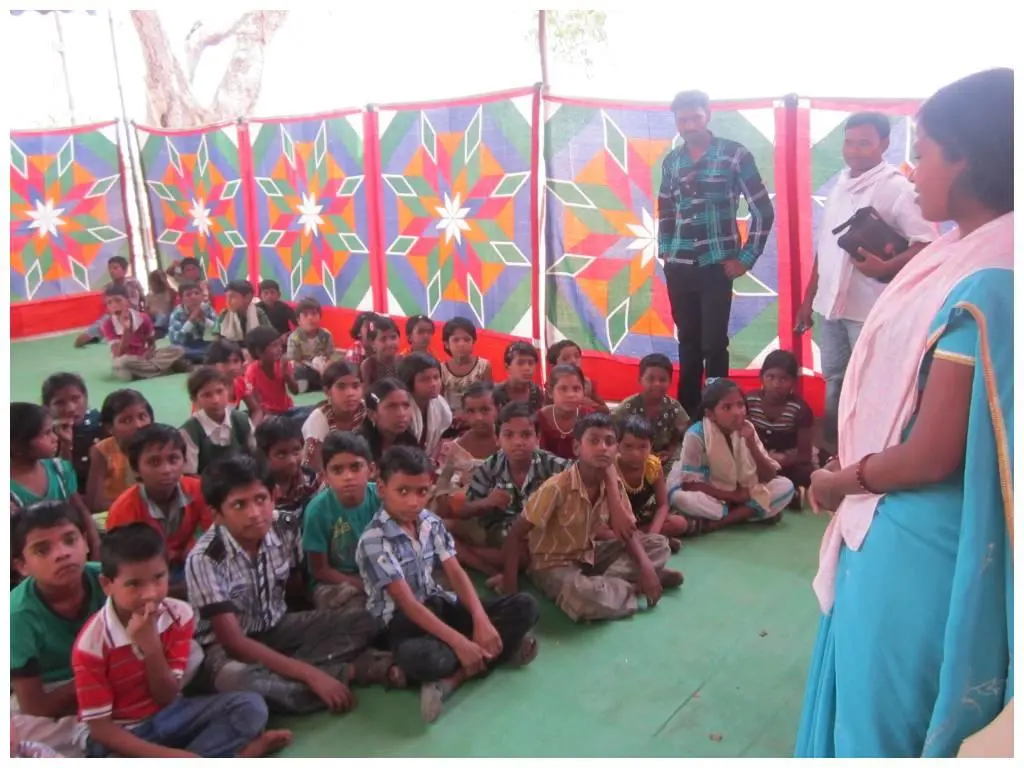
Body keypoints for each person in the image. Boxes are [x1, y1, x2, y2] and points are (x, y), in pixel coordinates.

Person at [796, 68, 1014, 758]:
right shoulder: (961, 248)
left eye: (923, 152)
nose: (914, 171)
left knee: (880, 719)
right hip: (899, 502)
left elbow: (932, 455)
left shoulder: (991, 278)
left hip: (919, 528)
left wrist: (840, 480)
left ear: (968, 158)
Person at [186, 454, 402, 715]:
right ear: (216, 514)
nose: (254, 513)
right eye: (239, 505)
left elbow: (302, 585)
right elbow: (234, 643)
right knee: (237, 680)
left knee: (367, 617)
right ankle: (350, 671)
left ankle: (296, 673)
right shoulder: (206, 558)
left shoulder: (285, 526)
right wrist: (310, 674)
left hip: (278, 628)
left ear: (273, 496)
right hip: (225, 649)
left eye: (260, 499)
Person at [356, 445, 540, 723]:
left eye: (422, 491)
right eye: (403, 491)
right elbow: (407, 604)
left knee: (526, 605)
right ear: (382, 489)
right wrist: (460, 642)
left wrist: (481, 621)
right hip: (401, 623)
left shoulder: (430, 522)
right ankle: (493, 653)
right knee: (422, 659)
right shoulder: (374, 540)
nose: (413, 502)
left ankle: (454, 677)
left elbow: (455, 572)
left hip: (437, 604)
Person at [72, 523, 291, 757]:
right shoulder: (91, 645)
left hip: (170, 714)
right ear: (107, 585)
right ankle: (236, 755)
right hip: (122, 733)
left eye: (159, 577)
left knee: (250, 707)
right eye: (134, 584)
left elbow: (167, 697)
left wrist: (151, 648)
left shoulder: (179, 615)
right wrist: (173, 757)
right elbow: (101, 730)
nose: (151, 593)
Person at [795, 111, 936, 457]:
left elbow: (929, 244)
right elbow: (826, 248)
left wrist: (885, 266)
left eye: (864, 143)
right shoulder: (839, 185)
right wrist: (808, 299)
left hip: (872, 309)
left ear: (884, 144)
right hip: (831, 307)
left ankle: (866, 456)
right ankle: (834, 454)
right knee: (834, 380)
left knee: (871, 384)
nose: (854, 151)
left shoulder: (897, 188)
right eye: (849, 143)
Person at [499, 413, 683, 622]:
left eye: (609, 442)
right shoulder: (556, 488)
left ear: (616, 449)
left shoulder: (613, 484)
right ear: (577, 447)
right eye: (594, 441)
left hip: (589, 554)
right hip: (552, 564)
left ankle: (615, 584)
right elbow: (515, 535)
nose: (603, 447)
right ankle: (632, 587)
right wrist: (510, 593)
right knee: (583, 595)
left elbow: (628, 533)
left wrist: (646, 566)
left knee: (658, 544)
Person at [658, 90, 775, 413]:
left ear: (707, 116)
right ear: (676, 122)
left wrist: (746, 258)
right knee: (688, 344)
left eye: (695, 117)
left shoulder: (734, 155)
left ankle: (718, 413)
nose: (689, 125)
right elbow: (666, 209)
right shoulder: (672, 161)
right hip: (679, 266)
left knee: (713, 344)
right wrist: (665, 252)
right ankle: (687, 415)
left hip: (716, 265)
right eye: (683, 120)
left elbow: (763, 210)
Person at [10, 502, 107, 756]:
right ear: (22, 566)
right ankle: (96, 733)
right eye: (42, 550)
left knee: (192, 652)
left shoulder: (108, 579)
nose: (62, 553)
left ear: (86, 542)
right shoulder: (16, 614)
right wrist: (93, 678)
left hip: (115, 671)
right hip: (53, 688)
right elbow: (34, 706)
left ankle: (101, 731)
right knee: (16, 728)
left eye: (70, 540)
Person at [667, 378, 794, 533]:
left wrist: (751, 444)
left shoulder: (748, 429)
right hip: (713, 494)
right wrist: (731, 496)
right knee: (680, 498)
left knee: (785, 486)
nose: (737, 412)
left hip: (747, 492)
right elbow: (689, 484)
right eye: (727, 407)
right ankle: (750, 513)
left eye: (740, 405)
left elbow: (769, 476)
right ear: (710, 414)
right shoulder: (696, 435)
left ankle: (717, 523)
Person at [456, 402, 567, 575]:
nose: (518, 442)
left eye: (526, 435)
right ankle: (473, 557)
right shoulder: (491, 466)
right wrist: (487, 502)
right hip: (499, 532)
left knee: (527, 552)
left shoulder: (550, 464)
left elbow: (583, 473)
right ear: (497, 439)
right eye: (508, 435)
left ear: (537, 438)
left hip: (537, 536)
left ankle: (465, 556)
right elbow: (465, 510)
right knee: (448, 526)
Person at [105, 425, 214, 593]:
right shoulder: (123, 511)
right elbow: (127, 567)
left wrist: (191, 550)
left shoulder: (199, 490)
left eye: (173, 459)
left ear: (184, 461)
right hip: (147, 578)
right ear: (136, 469)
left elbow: (213, 533)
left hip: (191, 565)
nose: (166, 470)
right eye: (154, 462)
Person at [10, 404, 101, 559]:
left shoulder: (59, 469)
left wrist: (96, 544)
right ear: (17, 446)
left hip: (70, 550)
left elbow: (80, 510)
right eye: (46, 433)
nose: (55, 438)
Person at [302, 433, 378, 613]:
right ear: (325, 477)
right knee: (355, 612)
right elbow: (320, 570)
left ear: (371, 470)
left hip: (377, 571)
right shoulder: (317, 511)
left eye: (355, 467)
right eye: (337, 470)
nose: (348, 476)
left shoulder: (382, 498)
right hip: (333, 581)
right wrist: (363, 585)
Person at [616, 416, 699, 546]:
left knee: (679, 523)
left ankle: (641, 539)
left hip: (640, 516)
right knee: (603, 533)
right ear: (617, 445)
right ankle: (646, 541)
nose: (636, 453)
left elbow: (663, 505)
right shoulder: (611, 468)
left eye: (643, 447)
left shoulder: (652, 466)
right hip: (616, 519)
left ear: (651, 446)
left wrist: (653, 533)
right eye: (628, 446)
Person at [745, 350, 815, 499]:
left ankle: (775, 491)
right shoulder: (748, 402)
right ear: (761, 377)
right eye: (770, 377)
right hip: (753, 459)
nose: (776, 384)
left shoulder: (800, 410)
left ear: (794, 382)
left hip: (785, 464)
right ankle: (788, 494)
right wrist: (760, 457)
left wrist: (784, 459)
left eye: (784, 379)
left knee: (807, 473)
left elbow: (805, 455)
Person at [432, 382, 499, 521]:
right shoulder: (456, 446)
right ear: (464, 413)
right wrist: (442, 497)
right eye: (471, 411)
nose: (478, 417)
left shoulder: (506, 445)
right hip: (457, 507)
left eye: (485, 410)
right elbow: (444, 478)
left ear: (498, 409)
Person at [613, 353, 690, 467]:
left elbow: (681, 432)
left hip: (663, 460)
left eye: (662, 380)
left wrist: (670, 451)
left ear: (670, 382)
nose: (657, 384)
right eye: (651, 379)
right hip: (632, 457)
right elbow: (612, 434)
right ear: (640, 380)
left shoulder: (674, 407)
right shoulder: (627, 408)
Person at [85, 390, 153, 514]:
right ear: (110, 428)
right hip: (116, 512)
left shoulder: (159, 445)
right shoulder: (101, 451)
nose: (138, 425)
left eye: (142, 417)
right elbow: (95, 504)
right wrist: (135, 504)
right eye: (126, 420)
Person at [99, 283, 185, 381]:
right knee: (121, 364)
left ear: (127, 301)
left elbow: (151, 344)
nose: (114, 305)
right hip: (127, 360)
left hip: (145, 358)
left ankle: (146, 371)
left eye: (118, 300)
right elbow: (118, 354)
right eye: (109, 303)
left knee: (178, 350)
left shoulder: (143, 318)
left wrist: (146, 355)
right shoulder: (108, 324)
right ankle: (162, 369)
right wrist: (126, 330)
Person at [181, 367, 258, 476]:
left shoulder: (242, 420)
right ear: (194, 399)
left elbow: (256, 455)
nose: (215, 400)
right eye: (207, 395)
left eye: (220, 391)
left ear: (229, 390)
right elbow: (190, 475)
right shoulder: (189, 431)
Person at [42, 372, 104, 494]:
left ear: (86, 398)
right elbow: (58, 482)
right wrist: (66, 446)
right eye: (60, 403)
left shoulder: (102, 423)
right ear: (47, 407)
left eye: (76, 399)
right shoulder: (43, 436)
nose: (70, 408)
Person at [301, 360, 366, 471]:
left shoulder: (366, 410)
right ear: (327, 392)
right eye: (341, 387)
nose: (350, 393)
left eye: (355, 386)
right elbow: (313, 466)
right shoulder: (319, 420)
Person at [255, 417, 320, 527]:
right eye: (281, 454)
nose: (292, 460)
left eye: (296, 451)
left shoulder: (310, 479)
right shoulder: (260, 490)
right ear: (264, 456)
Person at [73, 256, 146, 348]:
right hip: (113, 317)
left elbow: (142, 299)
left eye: (115, 268)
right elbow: (109, 309)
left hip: (131, 316)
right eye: (110, 268)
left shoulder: (133, 283)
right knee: (82, 339)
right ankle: (97, 335)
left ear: (125, 270)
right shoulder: (108, 288)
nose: (111, 271)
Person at [244, 326, 312, 422]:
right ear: (259, 352)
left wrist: (287, 375)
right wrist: (271, 417)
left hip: (288, 411)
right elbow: (257, 406)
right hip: (268, 415)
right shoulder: (252, 372)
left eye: (279, 344)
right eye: (274, 346)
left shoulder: (282, 364)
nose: (279, 349)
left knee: (312, 411)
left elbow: (295, 391)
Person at [398, 352, 453, 460]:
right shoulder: (401, 407)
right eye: (424, 379)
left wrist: (432, 460)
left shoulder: (439, 403)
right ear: (409, 382)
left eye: (436, 377)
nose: (433, 384)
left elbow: (441, 437)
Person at [536, 364, 595, 460]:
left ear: (583, 391)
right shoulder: (539, 418)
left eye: (576, 389)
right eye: (563, 389)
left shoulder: (590, 418)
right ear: (550, 392)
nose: (570, 395)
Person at [438, 317, 492, 420]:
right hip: (449, 418)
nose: (462, 344)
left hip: (477, 417)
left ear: (473, 342)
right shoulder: (441, 369)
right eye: (456, 340)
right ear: (446, 344)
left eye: (467, 339)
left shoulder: (483, 366)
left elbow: (488, 398)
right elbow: (438, 401)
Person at [357, 378, 420, 463]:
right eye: (392, 406)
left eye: (406, 405)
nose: (401, 413)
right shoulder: (357, 447)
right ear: (372, 414)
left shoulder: (410, 442)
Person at [286, 297, 339, 393]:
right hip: (306, 369)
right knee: (298, 371)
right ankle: (315, 384)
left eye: (314, 314)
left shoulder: (326, 335)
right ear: (299, 320)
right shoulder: (294, 338)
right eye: (305, 315)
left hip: (323, 368)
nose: (310, 318)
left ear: (320, 317)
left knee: (338, 367)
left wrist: (326, 367)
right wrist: (311, 367)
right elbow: (295, 361)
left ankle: (320, 384)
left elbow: (331, 356)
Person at [205, 339, 263, 423]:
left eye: (236, 361)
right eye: (225, 362)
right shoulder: (206, 387)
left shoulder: (240, 382)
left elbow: (256, 410)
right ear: (212, 364)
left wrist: (251, 428)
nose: (232, 367)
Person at [545, 339, 606, 411]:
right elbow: (546, 411)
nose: (573, 361)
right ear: (554, 366)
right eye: (565, 359)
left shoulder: (587, 383)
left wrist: (591, 404)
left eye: (576, 356)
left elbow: (605, 409)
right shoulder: (552, 386)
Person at [167, 281, 218, 364]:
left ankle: (203, 357)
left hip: (204, 344)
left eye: (197, 293)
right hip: (186, 346)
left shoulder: (207, 308)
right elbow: (176, 339)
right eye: (188, 295)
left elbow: (218, 331)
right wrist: (191, 320)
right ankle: (205, 357)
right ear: (181, 299)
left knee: (222, 344)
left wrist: (204, 320)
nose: (193, 297)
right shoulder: (177, 313)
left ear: (202, 296)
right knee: (173, 349)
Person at [214, 280, 271, 345]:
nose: (228, 301)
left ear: (247, 298)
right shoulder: (224, 314)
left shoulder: (258, 313)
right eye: (227, 297)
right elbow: (216, 338)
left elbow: (269, 336)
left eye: (232, 296)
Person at [492, 341, 544, 413]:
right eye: (520, 363)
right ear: (507, 367)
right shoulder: (494, 394)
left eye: (531, 363)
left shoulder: (537, 393)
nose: (527, 368)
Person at [360, 315, 402, 389]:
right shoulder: (368, 365)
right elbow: (367, 393)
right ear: (373, 343)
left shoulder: (404, 362)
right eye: (383, 339)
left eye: (393, 337)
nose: (389, 343)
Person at [145, 269, 174, 339]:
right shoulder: (149, 296)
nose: (154, 286)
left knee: (162, 316)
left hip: (166, 318)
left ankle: (158, 333)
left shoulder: (167, 293)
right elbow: (146, 309)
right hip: (153, 318)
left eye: (156, 283)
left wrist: (164, 280)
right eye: (152, 283)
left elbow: (171, 293)